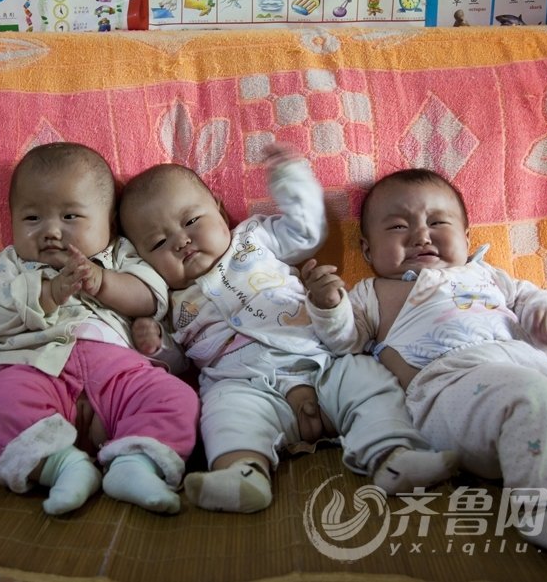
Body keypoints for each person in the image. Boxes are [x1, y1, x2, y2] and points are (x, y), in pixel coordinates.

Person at [319, 167, 547, 569]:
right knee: (530, 398)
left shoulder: (487, 274)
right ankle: (542, 510)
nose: (421, 236)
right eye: (398, 226)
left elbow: (530, 299)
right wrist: (329, 307)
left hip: (529, 364)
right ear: (367, 250)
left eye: (438, 222)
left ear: (467, 238)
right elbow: (345, 341)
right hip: (452, 387)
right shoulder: (372, 292)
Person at [119, 144, 458, 515]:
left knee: (369, 379)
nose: (181, 241)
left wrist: (291, 178)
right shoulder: (166, 301)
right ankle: (242, 473)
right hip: (244, 386)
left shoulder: (253, 239)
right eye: (158, 242)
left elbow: (306, 231)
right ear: (142, 259)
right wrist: (156, 345)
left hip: (321, 362)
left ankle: (394, 455)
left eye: (191, 221)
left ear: (218, 208)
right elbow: (178, 363)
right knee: (222, 413)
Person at [0, 142, 198, 516]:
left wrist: (103, 282)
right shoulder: (8, 265)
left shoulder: (119, 255)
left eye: (70, 216)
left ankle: (134, 465)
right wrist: (49, 293)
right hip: (36, 369)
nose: (51, 231)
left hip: (119, 371)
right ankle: (62, 466)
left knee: (177, 397)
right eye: (32, 218)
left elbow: (152, 297)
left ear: (109, 222)